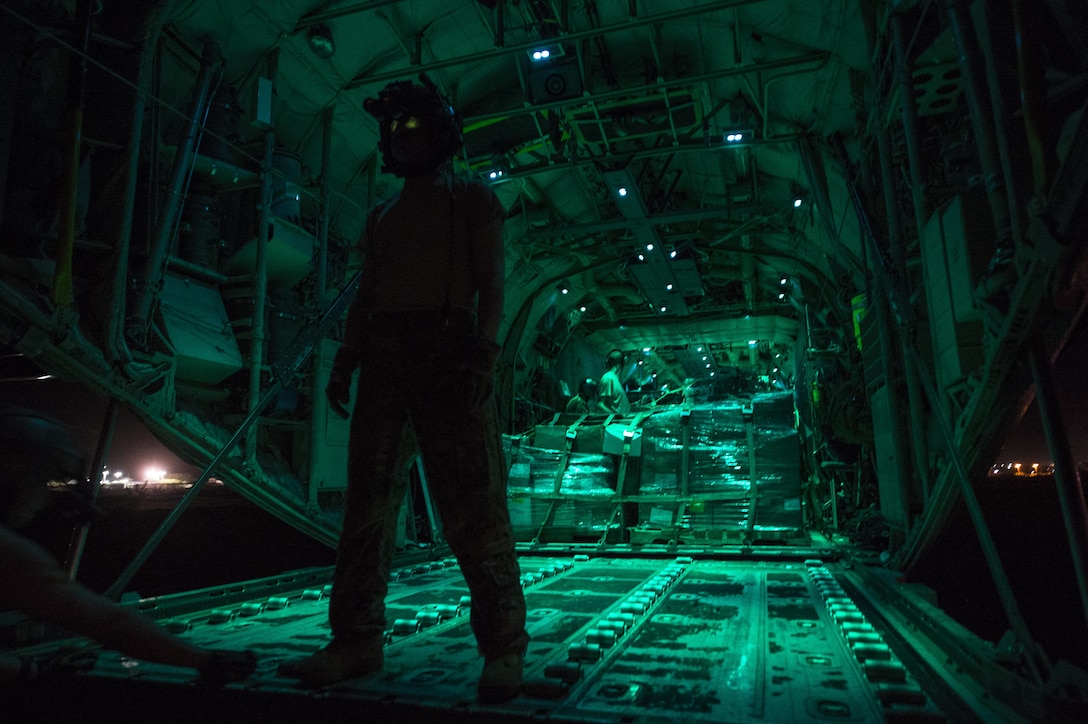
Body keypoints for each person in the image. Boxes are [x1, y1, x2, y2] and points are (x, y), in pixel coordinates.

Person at [280, 76, 528, 702]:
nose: (398, 137)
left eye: (410, 126)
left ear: (439, 133)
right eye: (392, 129)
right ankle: (355, 640)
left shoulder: (473, 200)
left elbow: (493, 285)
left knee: (473, 506)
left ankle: (504, 648)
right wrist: (347, 359)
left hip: (448, 354)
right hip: (387, 362)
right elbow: (368, 295)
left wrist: (486, 355)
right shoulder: (383, 215)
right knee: (366, 508)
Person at [0, 404, 255, 685]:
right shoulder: (10, 555)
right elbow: (108, 623)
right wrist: (204, 660)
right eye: (44, 478)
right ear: (14, 471)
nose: (43, 495)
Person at [597, 350, 631, 414]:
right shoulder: (608, 378)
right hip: (618, 422)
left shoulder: (615, 379)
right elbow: (600, 404)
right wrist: (617, 416)